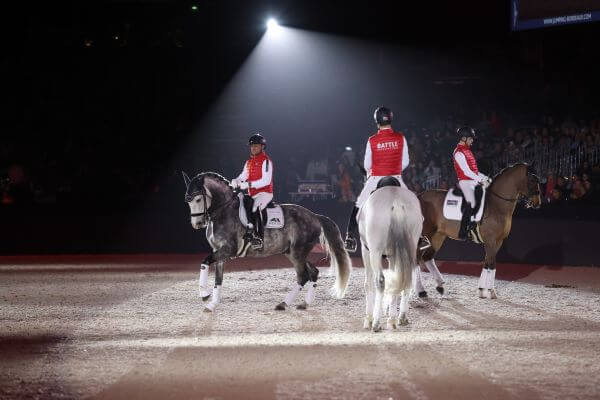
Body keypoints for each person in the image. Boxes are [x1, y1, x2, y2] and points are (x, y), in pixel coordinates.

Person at [344, 106, 409, 252]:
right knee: (413, 204)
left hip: (376, 179)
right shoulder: (400, 138)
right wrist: (394, 171)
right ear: (391, 119)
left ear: (377, 121)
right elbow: (405, 162)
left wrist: (373, 173)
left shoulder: (372, 140)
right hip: (396, 177)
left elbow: (367, 164)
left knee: (359, 204)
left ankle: (349, 237)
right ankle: (421, 237)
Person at [230, 133, 273, 250]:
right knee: (240, 201)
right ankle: (248, 226)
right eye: (251, 146)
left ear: (262, 147)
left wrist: (247, 184)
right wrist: (236, 180)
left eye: (256, 146)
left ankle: (259, 237)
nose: (253, 148)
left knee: (255, 206)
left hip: (265, 193)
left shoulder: (266, 162)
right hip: (252, 194)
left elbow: (266, 181)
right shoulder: (248, 162)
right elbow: (243, 176)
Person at [453, 126, 491, 240]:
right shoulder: (458, 152)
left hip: (473, 180)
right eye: (470, 138)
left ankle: (476, 222)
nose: (472, 141)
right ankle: (463, 231)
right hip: (465, 181)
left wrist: (485, 177)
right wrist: (481, 180)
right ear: (463, 138)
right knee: (471, 203)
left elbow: (474, 170)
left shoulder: (468, 151)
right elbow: (466, 171)